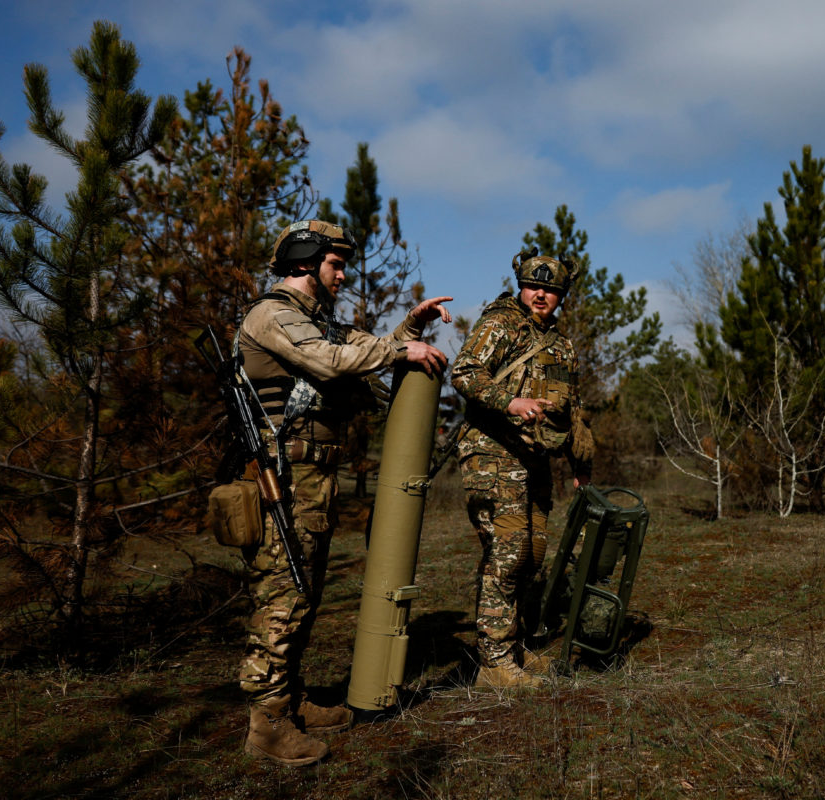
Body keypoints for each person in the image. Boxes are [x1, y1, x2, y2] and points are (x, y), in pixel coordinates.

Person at [235, 219, 450, 765]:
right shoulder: (273, 315)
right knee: (281, 599)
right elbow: (329, 360)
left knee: (303, 594)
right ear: (306, 262)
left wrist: (409, 327)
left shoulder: (318, 320)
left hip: (312, 481)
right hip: (282, 479)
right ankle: (266, 723)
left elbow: (362, 345)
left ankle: (291, 699)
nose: (344, 272)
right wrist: (398, 352)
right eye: (336, 263)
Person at [451, 249, 594, 689]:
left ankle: (512, 647)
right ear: (521, 286)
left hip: (533, 460)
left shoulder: (561, 344)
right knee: (509, 550)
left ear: (562, 296)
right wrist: (510, 401)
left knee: (531, 556)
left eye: (551, 290)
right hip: (492, 452)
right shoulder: (501, 324)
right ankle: (493, 662)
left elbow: (572, 408)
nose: (540, 295)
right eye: (535, 286)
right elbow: (465, 372)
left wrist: (580, 460)